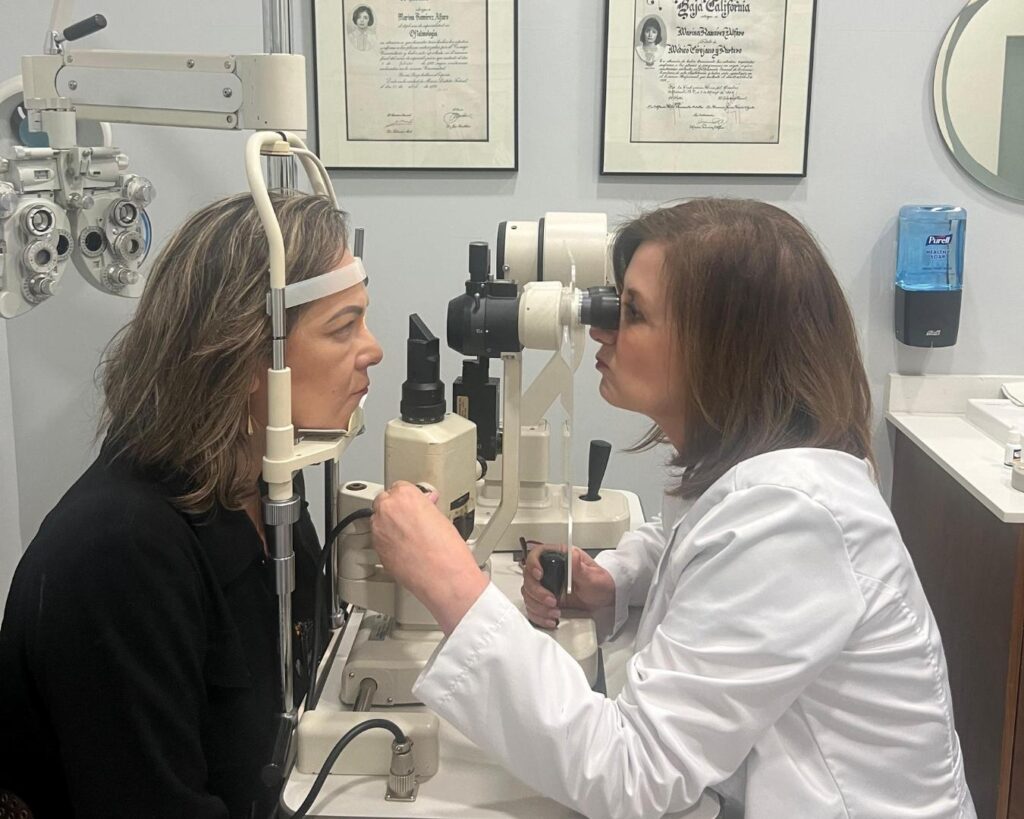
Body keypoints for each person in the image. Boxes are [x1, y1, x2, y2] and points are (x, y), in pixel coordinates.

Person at [370, 199, 977, 818]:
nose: (601, 329)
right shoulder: (768, 483)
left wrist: (450, 583)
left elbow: (634, 777)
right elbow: (691, 543)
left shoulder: (793, 519)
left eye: (632, 312)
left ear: (723, 348)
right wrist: (618, 586)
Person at [0, 191, 383, 818]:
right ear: (242, 353)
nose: (373, 349)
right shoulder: (120, 553)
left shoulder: (260, 487)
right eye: (343, 327)